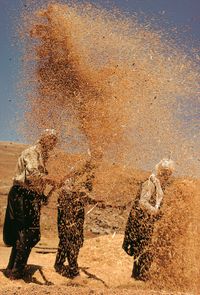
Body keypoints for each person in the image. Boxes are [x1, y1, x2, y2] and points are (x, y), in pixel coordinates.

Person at [3, 129, 58, 279]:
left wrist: (42, 195)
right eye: (52, 140)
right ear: (44, 139)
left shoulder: (42, 157)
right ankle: (16, 272)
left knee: (29, 234)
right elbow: (33, 176)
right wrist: (52, 179)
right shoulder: (32, 152)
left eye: (55, 141)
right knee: (28, 233)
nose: (54, 144)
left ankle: (12, 268)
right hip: (21, 194)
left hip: (30, 195)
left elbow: (38, 182)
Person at [122, 158, 175, 281]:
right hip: (140, 222)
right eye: (164, 172)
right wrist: (156, 212)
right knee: (143, 249)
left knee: (146, 249)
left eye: (169, 173)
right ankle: (139, 277)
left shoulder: (160, 185)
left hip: (147, 222)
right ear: (159, 171)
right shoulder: (150, 183)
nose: (166, 175)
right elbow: (142, 202)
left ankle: (140, 276)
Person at [54, 159, 101, 278]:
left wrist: (95, 201)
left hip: (77, 211)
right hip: (68, 209)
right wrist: (87, 197)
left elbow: (85, 196)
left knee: (74, 239)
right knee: (71, 238)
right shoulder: (74, 175)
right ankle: (73, 270)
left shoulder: (88, 178)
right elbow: (69, 192)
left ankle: (59, 263)